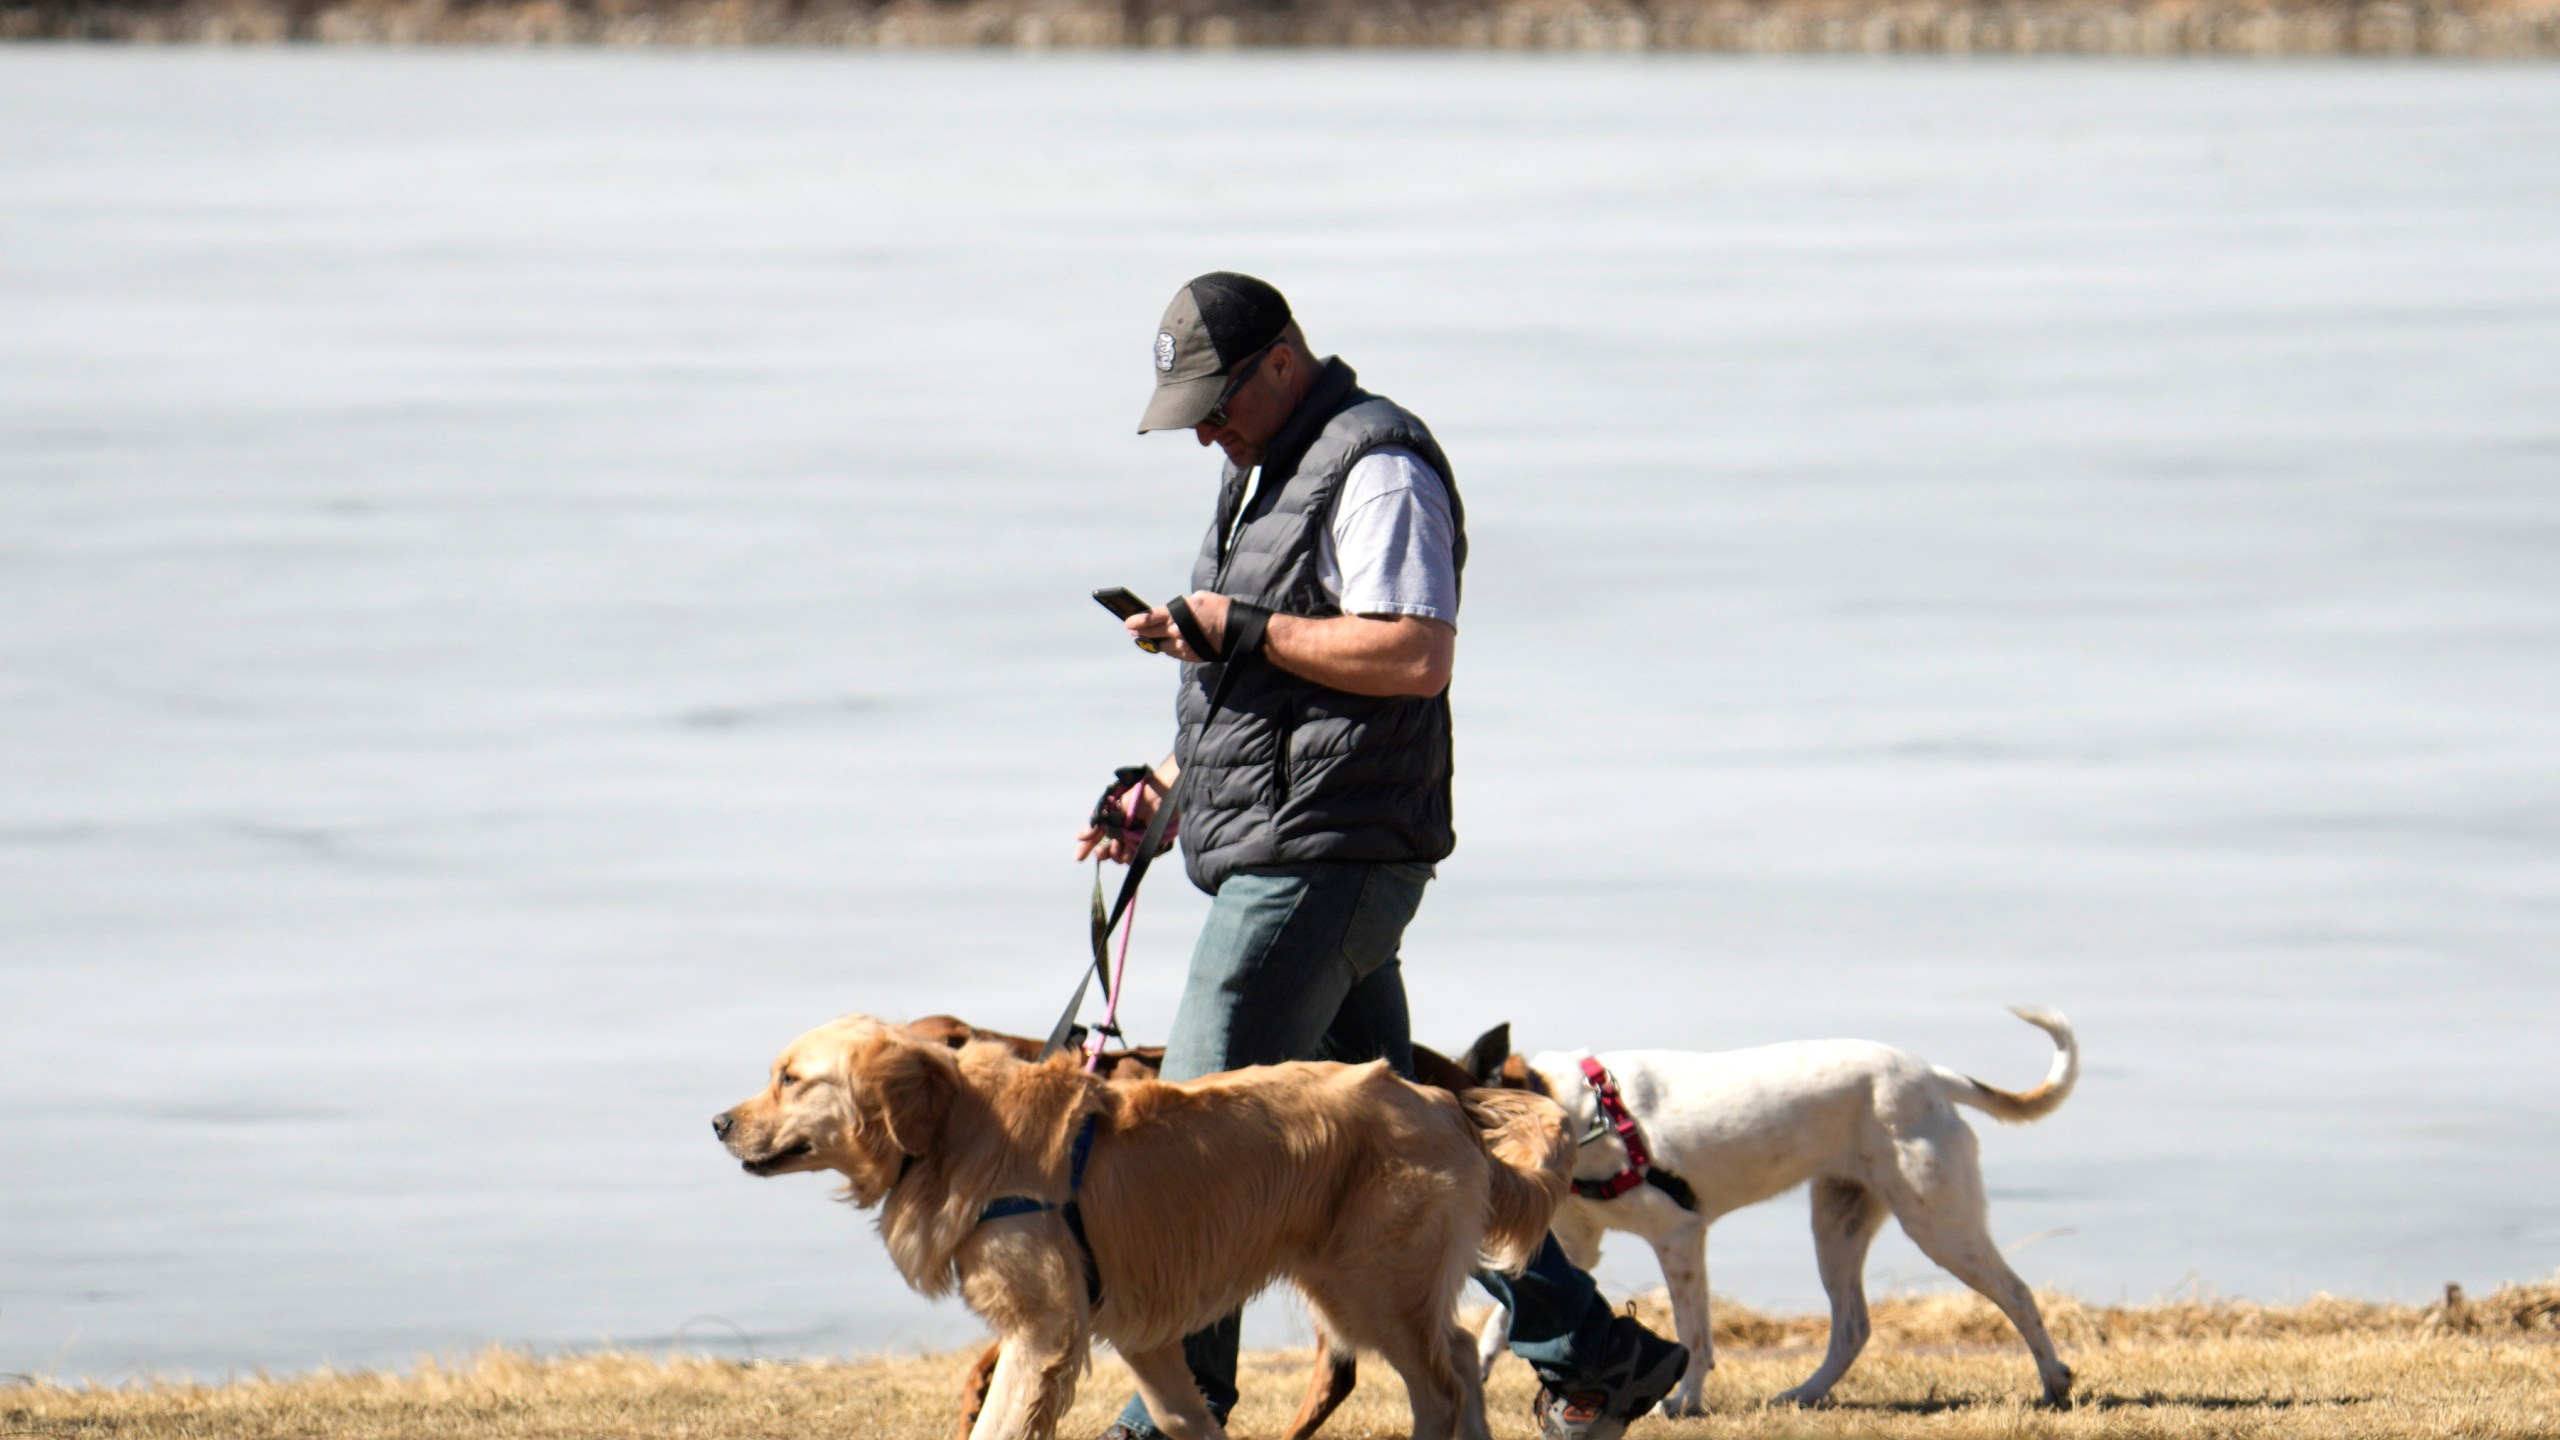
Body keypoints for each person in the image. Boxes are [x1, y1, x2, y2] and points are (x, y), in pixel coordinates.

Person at [1071, 272, 1688, 1440]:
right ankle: (1594, 1354)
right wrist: (1168, 798)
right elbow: (1264, 691)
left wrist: (1237, 628)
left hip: (1330, 857)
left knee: (1206, 1127)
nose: (1202, 426)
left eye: (1213, 400)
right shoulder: (1257, 470)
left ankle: (1177, 1413)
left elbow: (1414, 655)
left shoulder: (1377, 465)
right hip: (1293, 840)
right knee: (1413, 1143)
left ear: (1281, 362)